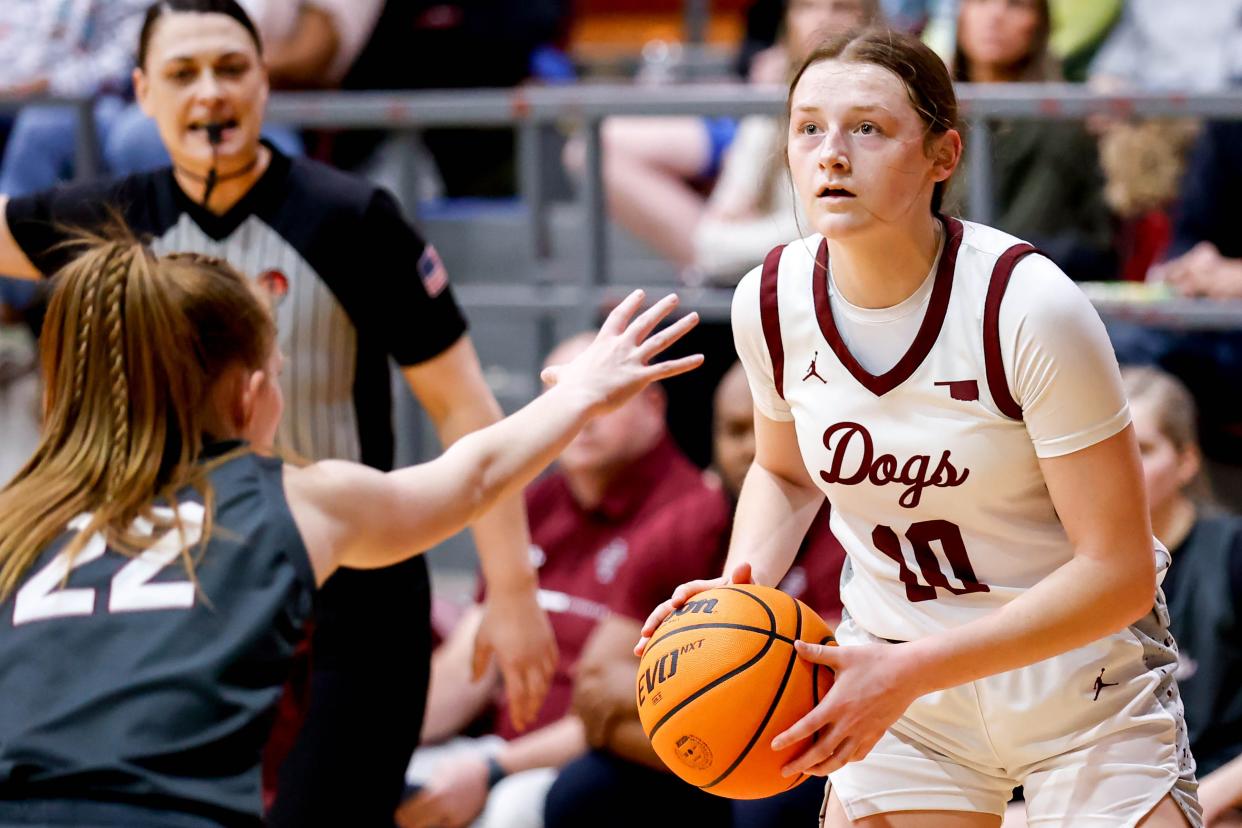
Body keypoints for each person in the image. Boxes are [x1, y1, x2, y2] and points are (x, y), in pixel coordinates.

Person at [0, 2, 558, 825]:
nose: (211, 93)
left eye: (231, 67)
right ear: (144, 93)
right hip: (182, 603)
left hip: (353, 603)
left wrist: (511, 589)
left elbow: (464, 407)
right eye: (184, 74)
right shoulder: (109, 220)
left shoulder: (352, 217)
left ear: (267, 81)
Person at [639, 28, 1200, 826]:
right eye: (808, 127)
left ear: (943, 156)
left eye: (867, 128)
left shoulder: (1027, 306)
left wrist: (911, 672)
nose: (831, 153)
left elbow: (1118, 575)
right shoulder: (770, 300)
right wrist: (743, 586)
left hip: (1078, 692)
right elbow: (787, 472)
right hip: (901, 692)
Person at [0, 236, 700, 828]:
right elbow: (476, 475)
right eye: (277, 375)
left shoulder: (20, 514)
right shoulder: (298, 501)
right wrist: (581, 394)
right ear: (249, 396)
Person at [397, 331, 727, 828]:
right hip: (495, 749)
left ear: (653, 404)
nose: (583, 415)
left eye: (606, 397)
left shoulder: (692, 516)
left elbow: (622, 703)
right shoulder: (534, 502)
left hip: (594, 757)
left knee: (510, 811)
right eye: (564, 397)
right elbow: (471, 663)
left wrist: (489, 771)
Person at [545, 361, 848, 828]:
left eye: (762, 430)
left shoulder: (851, 527)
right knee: (580, 792)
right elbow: (594, 686)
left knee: (768, 806)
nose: (750, 447)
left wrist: (674, 692)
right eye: (734, 431)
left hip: (824, 759)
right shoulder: (683, 527)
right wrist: (717, 738)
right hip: (701, 761)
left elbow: (823, 698)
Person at [565, 0, 881, 279]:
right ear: (787, 20)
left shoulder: (880, 108)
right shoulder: (769, 98)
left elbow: (821, 233)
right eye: (806, 7)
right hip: (763, 286)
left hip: (830, 290)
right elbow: (716, 232)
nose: (823, 20)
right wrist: (727, 242)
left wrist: (729, 242)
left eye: (842, 6)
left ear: (869, 18)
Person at [948, 0, 1114, 281]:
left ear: (1039, 24)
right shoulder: (927, 114)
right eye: (980, 2)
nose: (995, 17)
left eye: (1015, 5)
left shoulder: (1064, 127)